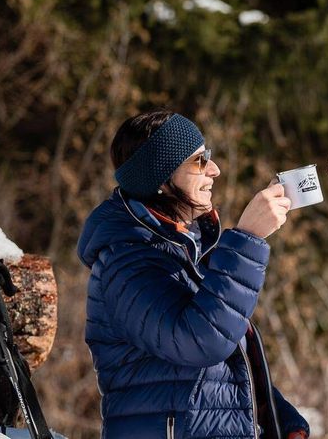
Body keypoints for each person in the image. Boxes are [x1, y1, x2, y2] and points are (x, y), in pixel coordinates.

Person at [78, 110, 309, 439]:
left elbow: (225, 365)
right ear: (161, 177)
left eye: (208, 156)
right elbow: (200, 341)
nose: (214, 170)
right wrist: (248, 239)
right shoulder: (125, 263)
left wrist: (283, 422)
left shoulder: (188, 249)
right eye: (199, 161)